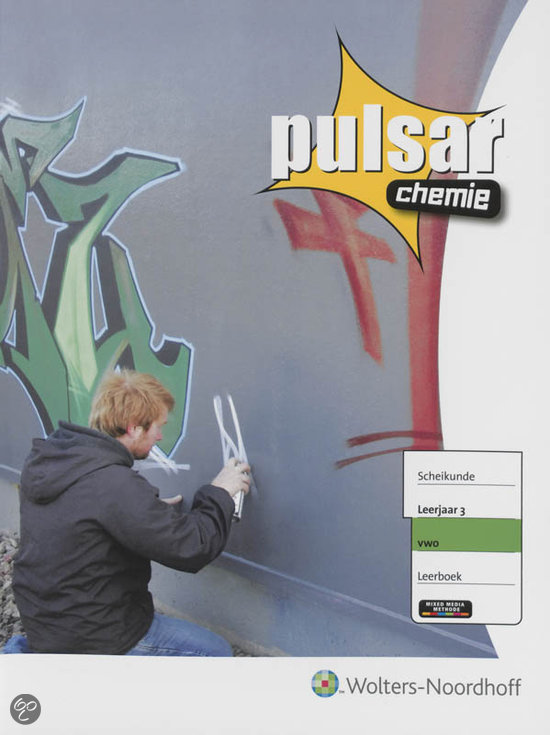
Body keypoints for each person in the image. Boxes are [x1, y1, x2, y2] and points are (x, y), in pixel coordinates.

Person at [11, 370, 250, 656]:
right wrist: (220, 492)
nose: (160, 436)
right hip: (93, 635)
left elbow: (86, 517)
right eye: (157, 427)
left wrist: (148, 512)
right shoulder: (114, 484)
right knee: (215, 653)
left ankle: (26, 656)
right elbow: (191, 547)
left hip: (45, 623)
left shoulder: (56, 462)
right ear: (134, 428)